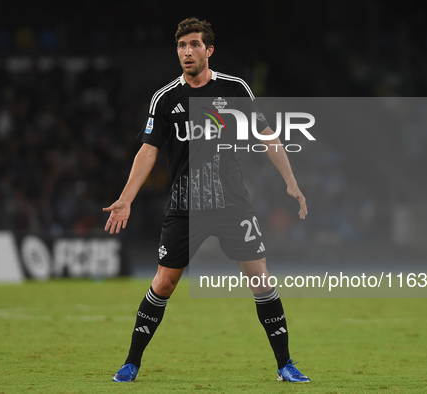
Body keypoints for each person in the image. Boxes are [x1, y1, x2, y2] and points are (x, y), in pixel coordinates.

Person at [103, 17, 310, 384]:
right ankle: (131, 363)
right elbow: (148, 152)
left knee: (261, 282)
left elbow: (268, 136)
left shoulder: (234, 88)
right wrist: (126, 198)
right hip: (186, 206)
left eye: (194, 45)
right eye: (182, 46)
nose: (187, 52)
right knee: (164, 283)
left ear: (208, 50)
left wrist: (291, 183)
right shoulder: (165, 98)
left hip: (232, 204)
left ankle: (285, 365)